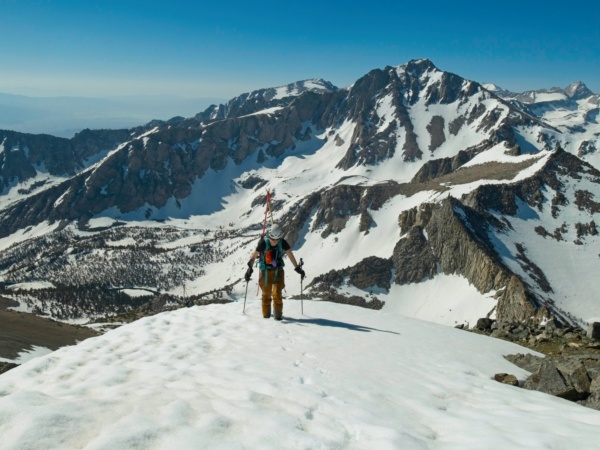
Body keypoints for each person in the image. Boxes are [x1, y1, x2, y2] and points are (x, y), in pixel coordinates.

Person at [245, 223, 305, 320]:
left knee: (277, 293)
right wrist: (249, 269)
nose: (275, 242)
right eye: (273, 240)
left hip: (278, 270)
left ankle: (278, 316)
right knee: (266, 293)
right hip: (266, 271)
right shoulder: (263, 243)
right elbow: (254, 255)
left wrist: (297, 268)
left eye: (277, 239)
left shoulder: (282, 242)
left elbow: (290, 254)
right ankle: (266, 316)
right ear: (269, 236)